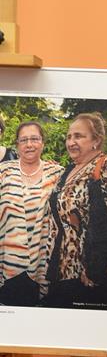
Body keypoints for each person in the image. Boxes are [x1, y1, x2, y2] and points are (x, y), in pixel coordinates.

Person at [47, 111, 107, 310]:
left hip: (91, 274)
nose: (71, 142)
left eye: (79, 136)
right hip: (65, 269)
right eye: (68, 137)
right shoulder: (69, 170)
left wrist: (95, 270)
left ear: (96, 141)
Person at [0, 121, 63, 305]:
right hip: (7, 259)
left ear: (43, 143)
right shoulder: (4, 171)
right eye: (24, 140)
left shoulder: (57, 174)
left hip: (43, 261)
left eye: (34, 139)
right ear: (17, 144)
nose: (29, 144)